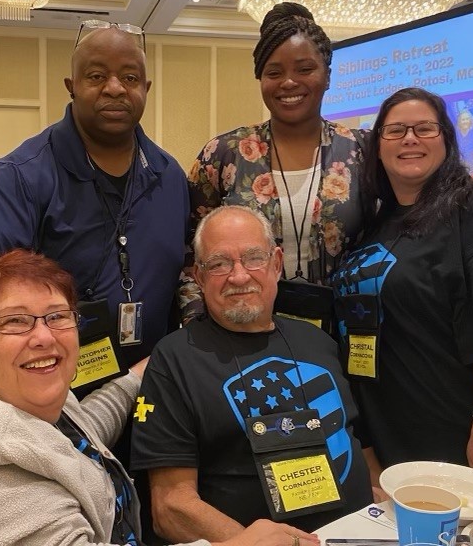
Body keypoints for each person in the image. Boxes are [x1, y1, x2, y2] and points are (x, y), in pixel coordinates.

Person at [0, 21, 191, 448]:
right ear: (71, 86)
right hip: (48, 402)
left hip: (149, 390)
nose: (114, 88)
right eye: (95, 76)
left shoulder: (170, 177)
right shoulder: (21, 175)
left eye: (129, 77)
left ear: (146, 86)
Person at [0, 248, 317, 546]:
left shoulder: (25, 408)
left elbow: (84, 428)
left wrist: (136, 376)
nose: (43, 337)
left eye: (57, 317)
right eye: (15, 322)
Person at [183, 3, 473, 324]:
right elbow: (190, 253)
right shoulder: (224, 153)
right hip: (239, 326)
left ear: (327, 76)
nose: (289, 82)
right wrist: (196, 323)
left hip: (352, 332)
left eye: (305, 68)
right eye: (274, 72)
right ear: (260, 79)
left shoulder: (363, 149)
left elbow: (436, 193)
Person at [330, 87, 473, 482]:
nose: (410, 138)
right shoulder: (374, 225)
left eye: (424, 128)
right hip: (403, 444)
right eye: (395, 130)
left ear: (446, 139)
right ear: (377, 146)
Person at [131, 206, 373, 543]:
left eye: (253, 258)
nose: (239, 276)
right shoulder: (175, 359)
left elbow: (354, 437)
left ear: (276, 263)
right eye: (218, 264)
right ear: (199, 277)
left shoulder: (318, 341)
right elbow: (171, 508)